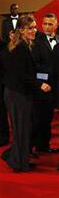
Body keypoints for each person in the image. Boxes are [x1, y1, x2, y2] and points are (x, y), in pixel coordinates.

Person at [0, 15, 51, 172]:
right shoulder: (21, 47)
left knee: (23, 128)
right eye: (30, 28)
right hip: (17, 94)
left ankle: (17, 159)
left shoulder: (24, 45)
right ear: (21, 30)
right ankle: (18, 163)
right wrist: (40, 84)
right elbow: (23, 76)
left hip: (17, 93)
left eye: (35, 27)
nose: (34, 30)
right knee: (21, 129)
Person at [31, 12, 59, 153]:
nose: (47, 27)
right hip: (44, 86)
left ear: (56, 25)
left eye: (50, 24)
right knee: (41, 117)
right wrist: (44, 80)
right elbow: (35, 66)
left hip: (56, 87)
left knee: (49, 118)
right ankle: (38, 146)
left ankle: (45, 145)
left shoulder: (58, 40)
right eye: (45, 24)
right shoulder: (37, 41)